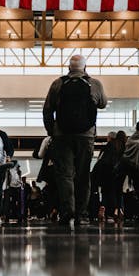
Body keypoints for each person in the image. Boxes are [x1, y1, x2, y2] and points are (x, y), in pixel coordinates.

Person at [42, 53, 107, 227]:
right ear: (85, 68)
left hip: (62, 135)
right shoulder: (94, 84)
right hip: (86, 136)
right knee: (84, 175)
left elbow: (47, 110)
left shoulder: (58, 84)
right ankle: (82, 214)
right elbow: (103, 103)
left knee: (65, 175)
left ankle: (67, 211)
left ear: (69, 68)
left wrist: (52, 131)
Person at [91, 130, 127, 223]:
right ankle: (118, 210)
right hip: (118, 172)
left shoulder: (109, 145)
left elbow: (101, 159)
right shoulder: (124, 147)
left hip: (104, 171)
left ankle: (103, 207)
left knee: (105, 191)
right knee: (118, 191)